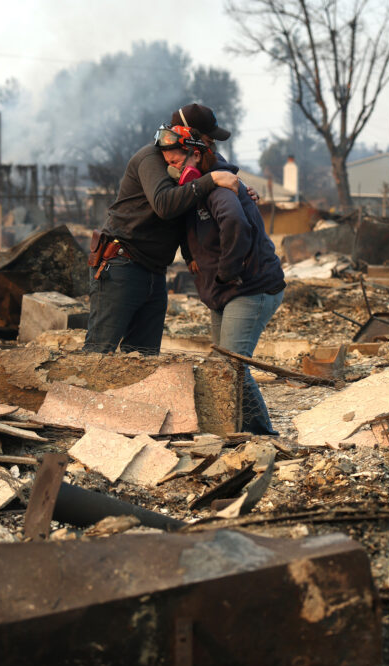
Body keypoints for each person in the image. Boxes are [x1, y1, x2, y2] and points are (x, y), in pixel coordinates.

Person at [158, 117, 286, 435]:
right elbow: (189, 230)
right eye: (167, 163)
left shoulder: (219, 187)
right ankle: (234, 432)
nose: (172, 169)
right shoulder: (196, 189)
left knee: (232, 366)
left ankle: (262, 435)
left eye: (175, 161)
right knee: (223, 367)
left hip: (249, 287)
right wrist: (190, 258)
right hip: (224, 292)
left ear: (196, 154)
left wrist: (228, 271)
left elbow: (235, 224)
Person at [82, 119, 243, 354]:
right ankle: (76, 392)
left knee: (143, 356)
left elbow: (185, 214)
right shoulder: (151, 158)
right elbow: (165, 205)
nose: (212, 148)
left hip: (155, 271)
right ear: (191, 139)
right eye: (208, 141)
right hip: (121, 264)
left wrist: (244, 187)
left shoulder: (194, 165)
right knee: (98, 351)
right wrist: (210, 180)